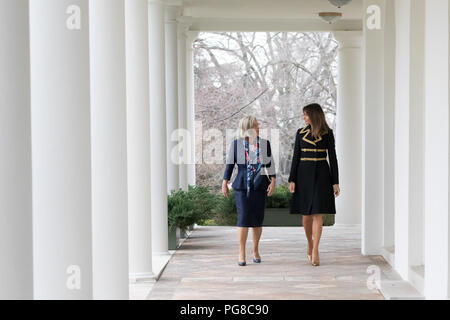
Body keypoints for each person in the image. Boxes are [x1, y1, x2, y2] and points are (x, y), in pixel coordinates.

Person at [288, 103, 340, 266]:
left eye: (306, 114)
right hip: (303, 175)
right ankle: (309, 243)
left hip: (322, 175)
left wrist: (335, 181)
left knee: (318, 213)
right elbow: (295, 157)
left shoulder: (327, 133)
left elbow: (333, 158)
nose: (304, 117)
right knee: (306, 217)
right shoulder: (300, 133)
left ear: (313, 115)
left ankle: (316, 249)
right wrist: (292, 179)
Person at [222, 116, 276, 266]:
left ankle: (255, 250)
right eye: (256, 125)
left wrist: (273, 180)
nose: (258, 127)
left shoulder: (265, 144)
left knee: (257, 220)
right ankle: (241, 252)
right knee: (243, 219)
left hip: (260, 185)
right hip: (241, 186)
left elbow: (270, 164)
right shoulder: (236, 144)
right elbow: (230, 165)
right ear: (248, 128)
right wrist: (224, 182)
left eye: (258, 124)